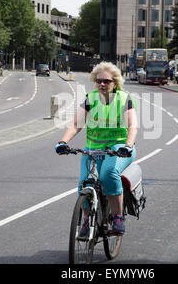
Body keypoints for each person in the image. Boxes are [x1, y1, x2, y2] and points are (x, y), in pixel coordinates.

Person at [55, 61, 138, 236]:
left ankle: (117, 217)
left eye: (106, 81)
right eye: (99, 80)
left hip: (119, 148)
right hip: (93, 149)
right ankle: (86, 220)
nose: (102, 84)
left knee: (109, 174)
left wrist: (128, 146)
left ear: (115, 82)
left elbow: (133, 126)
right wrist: (63, 142)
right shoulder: (90, 99)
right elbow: (76, 124)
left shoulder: (124, 99)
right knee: (84, 182)